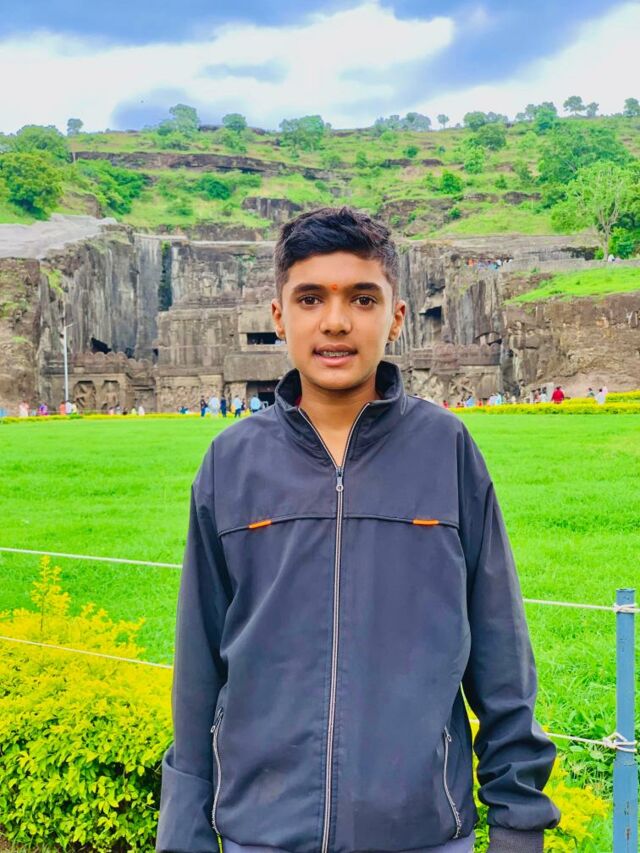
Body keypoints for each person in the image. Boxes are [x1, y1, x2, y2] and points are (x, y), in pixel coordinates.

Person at [156, 206, 560, 853]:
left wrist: (519, 823)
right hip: (263, 833)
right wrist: (183, 831)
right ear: (279, 315)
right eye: (310, 298)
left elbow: (500, 649)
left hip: (423, 833)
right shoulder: (231, 463)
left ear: (396, 317)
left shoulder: (446, 450)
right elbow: (199, 664)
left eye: (362, 298)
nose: (336, 321)